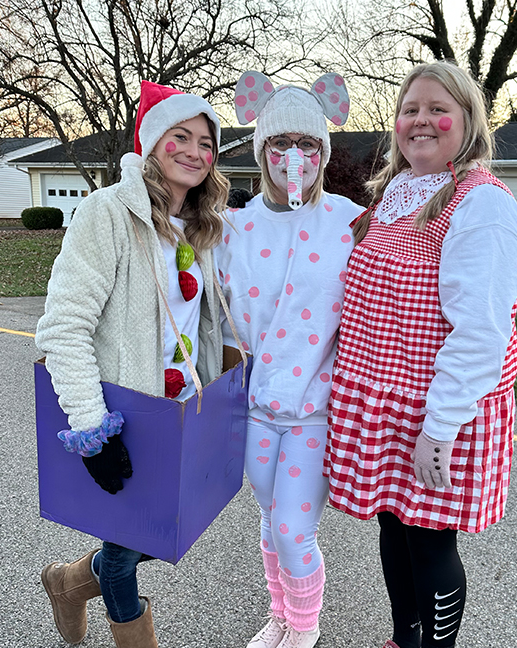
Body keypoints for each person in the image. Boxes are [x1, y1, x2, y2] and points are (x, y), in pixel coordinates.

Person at [324, 61, 517, 648]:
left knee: (432, 541)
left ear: (467, 122)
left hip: (440, 412)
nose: (421, 120)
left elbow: (481, 334)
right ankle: (405, 639)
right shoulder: (395, 194)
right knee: (394, 527)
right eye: (409, 108)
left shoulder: (481, 206)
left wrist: (438, 429)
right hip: (386, 400)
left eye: (437, 108)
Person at [35, 80, 229, 648]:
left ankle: (69, 582)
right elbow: (64, 327)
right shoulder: (106, 215)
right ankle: (91, 598)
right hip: (122, 412)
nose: (195, 151)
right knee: (124, 555)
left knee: (156, 534)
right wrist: (91, 428)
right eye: (181, 136)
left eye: (206, 142)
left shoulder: (199, 227)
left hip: (177, 413)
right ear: (151, 142)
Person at [214, 70, 363, 648]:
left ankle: (304, 629)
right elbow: (202, 305)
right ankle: (280, 615)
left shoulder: (350, 222)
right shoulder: (233, 227)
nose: (293, 156)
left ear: (323, 152)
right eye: (280, 143)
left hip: (316, 410)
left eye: (307, 143)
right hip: (253, 407)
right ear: (261, 149)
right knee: (269, 524)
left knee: (293, 528)